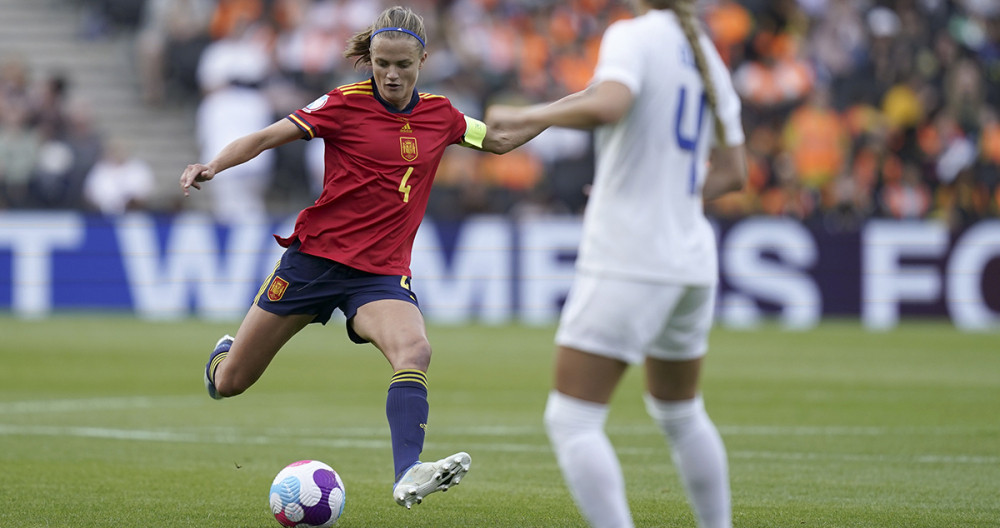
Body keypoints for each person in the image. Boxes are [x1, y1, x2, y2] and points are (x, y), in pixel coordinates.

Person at [179, 5, 530, 509]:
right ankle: (222, 357)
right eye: (381, 63)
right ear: (369, 58)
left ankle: (409, 471)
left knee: (415, 351)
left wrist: (566, 111)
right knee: (231, 382)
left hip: (380, 275)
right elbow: (265, 136)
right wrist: (213, 165)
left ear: (422, 61)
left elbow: (497, 139)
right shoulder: (343, 103)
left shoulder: (442, 115)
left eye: (402, 65)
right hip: (313, 263)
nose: (390, 74)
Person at [486, 0, 747, 527]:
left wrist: (527, 114)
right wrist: (656, 192)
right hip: (692, 258)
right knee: (680, 412)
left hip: (632, 252)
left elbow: (610, 104)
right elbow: (734, 172)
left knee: (572, 420)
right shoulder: (706, 55)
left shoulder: (633, 34)